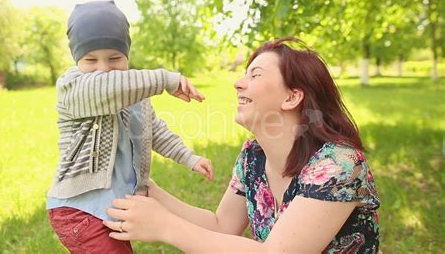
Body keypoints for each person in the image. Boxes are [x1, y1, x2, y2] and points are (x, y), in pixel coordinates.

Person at [104, 36, 381, 253]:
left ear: (292, 97)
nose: (238, 83)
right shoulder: (253, 156)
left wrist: (165, 226)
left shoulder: (339, 164)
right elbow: (221, 226)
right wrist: (147, 187)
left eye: (255, 75)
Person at [46, 0, 213, 253]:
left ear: (127, 55)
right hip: (80, 209)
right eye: (91, 60)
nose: (103, 70)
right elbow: (106, 87)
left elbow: (155, 131)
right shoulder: (73, 88)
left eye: (114, 58)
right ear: (76, 59)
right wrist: (166, 79)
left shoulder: (134, 93)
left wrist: (189, 157)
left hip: (109, 207)